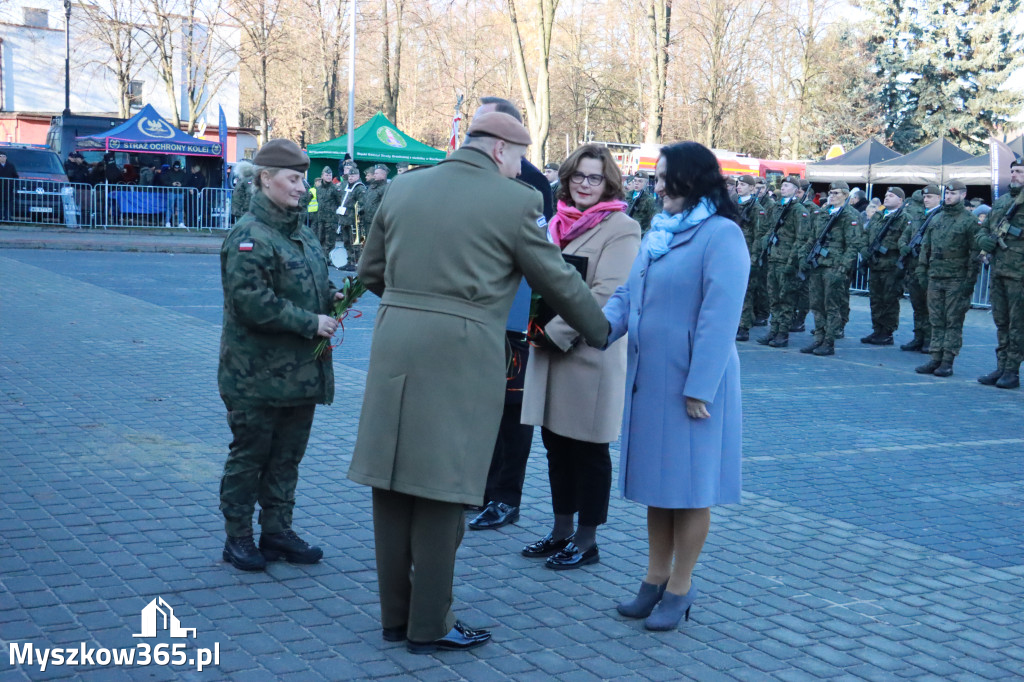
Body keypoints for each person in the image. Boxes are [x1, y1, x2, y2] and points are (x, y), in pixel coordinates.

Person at [347, 112, 610, 654]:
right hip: (463, 354)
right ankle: (431, 624)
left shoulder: (402, 187)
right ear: (499, 151)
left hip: (395, 342)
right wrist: (600, 329)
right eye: (518, 159)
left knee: (392, 483)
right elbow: (556, 279)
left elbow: (370, 271)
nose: (520, 171)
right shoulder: (514, 202)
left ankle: (395, 618)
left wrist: (415, 305)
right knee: (445, 490)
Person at [604, 141, 747, 631]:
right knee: (659, 487)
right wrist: (597, 328)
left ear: (692, 179)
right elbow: (628, 295)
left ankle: (681, 588)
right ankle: (653, 578)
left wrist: (699, 387)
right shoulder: (659, 231)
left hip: (692, 388)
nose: (657, 184)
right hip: (652, 379)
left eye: (665, 177)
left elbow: (720, 316)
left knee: (690, 488)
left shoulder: (722, 234)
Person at [218, 138, 344, 572]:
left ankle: (277, 531)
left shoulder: (301, 232)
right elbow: (250, 300)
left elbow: (314, 280)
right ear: (266, 179)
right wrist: (310, 322)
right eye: (293, 178)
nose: (302, 187)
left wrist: (333, 295)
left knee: (287, 457)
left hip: (298, 374)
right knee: (250, 457)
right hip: (255, 375)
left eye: (304, 178)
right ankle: (238, 538)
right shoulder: (249, 235)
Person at [519, 145, 640, 570]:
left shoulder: (621, 227)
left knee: (588, 451)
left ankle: (587, 541)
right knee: (555, 447)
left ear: (609, 183)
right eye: (578, 176)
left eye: (595, 178)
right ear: (566, 179)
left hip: (586, 354)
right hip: (548, 351)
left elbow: (606, 294)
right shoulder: (554, 223)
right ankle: (560, 530)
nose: (585, 185)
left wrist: (553, 334)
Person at [466, 96, 554, 533]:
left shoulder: (530, 181)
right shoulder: (467, 175)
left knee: (512, 411)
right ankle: (479, 489)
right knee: (479, 407)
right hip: (477, 314)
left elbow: (539, 258)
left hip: (516, 317)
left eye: (483, 123)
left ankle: (505, 497)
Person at [914, 180, 980, 377]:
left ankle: (947, 361)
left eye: (953, 194)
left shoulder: (969, 220)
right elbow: (926, 247)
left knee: (952, 321)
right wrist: (922, 271)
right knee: (936, 320)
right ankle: (935, 358)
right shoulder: (937, 218)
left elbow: (974, 254)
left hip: (956, 278)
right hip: (935, 276)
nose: (948, 197)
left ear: (963, 195)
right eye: (947, 194)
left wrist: (969, 281)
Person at [798, 180, 862, 357]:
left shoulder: (850, 215)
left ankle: (829, 341)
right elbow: (813, 237)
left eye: (836, 193)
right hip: (818, 265)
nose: (832, 196)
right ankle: (819, 338)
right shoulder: (824, 213)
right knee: (816, 305)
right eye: (831, 193)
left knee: (831, 306)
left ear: (846, 195)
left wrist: (843, 268)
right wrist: (803, 255)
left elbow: (853, 245)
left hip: (834, 267)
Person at [976, 158, 1024, 388]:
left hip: (1020, 275)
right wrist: (982, 240)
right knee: (1002, 323)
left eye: (1019, 171)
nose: (1014, 175)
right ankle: (1001, 366)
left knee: (1018, 325)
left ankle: (1012, 371)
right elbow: (985, 228)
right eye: (1012, 171)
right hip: (999, 271)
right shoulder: (1003, 201)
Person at [757, 175, 809, 348]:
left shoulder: (798, 210)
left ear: (796, 190)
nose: (784, 188)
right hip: (773, 258)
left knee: (786, 298)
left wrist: (792, 262)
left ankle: (782, 333)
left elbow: (801, 239)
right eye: (783, 185)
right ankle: (774, 330)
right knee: (774, 297)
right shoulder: (777, 207)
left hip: (787, 260)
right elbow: (769, 228)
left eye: (787, 185)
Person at [860, 187, 910, 345]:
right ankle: (877, 330)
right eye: (886, 195)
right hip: (875, 264)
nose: (887, 198)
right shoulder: (879, 215)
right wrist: (864, 249)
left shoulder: (904, 218)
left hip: (891, 266)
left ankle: (887, 332)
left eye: (891, 196)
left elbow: (905, 240)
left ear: (900, 200)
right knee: (875, 299)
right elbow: (866, 234)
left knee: (889, 300)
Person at [898, 185, 942, 353]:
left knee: (930, 306)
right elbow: (906, 234)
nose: (926, 200)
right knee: (917, 306)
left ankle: (929, 340)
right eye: (924, 197)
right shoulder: (917, 216)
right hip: (914, 267)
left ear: (938, 198)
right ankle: (919, 337)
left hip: (930, 269)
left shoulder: (940, 216)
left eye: (930, 197)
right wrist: (903, 246)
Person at [734, 175, 766, 341]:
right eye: (738, 184)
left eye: (744, 185)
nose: (739, 187)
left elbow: (759, 235)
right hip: (731, 254)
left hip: (746, 254)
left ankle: (743, 326)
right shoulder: (733, 204)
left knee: (746, 293)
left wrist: (753, 258)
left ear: (753, 189)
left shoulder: (756, 209)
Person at [307, 165, 345, 261]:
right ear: (322, 176)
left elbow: (339, 202)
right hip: (320, 218)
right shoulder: (318, 189)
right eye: (326, 175)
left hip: (331, 219)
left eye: (330, 175)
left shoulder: (335, 189)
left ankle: (328, 258)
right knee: (320, 238)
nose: (328, 177)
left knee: (329, 240)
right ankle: (320, 257)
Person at [338, 163, 367, 270]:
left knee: (355, 243)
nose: (351, 178)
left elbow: (362, 205)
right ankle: (349, 261)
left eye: (353, 176)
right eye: (350, 176)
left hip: (354, 221)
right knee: (346, 242)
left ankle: (357, 263)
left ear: (358, 176)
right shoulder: (346, 186)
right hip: (344, 219)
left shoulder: (359, 188)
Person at [162, 160, 187, 228]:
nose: (176, 168)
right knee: (169, 208)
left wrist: (181, 184)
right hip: (172, 192)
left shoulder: (182, 173)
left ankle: (181, 223)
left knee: (180, 208)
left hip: (180, 192)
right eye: (176, 167)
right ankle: (167, 222)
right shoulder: (169, 172)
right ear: (173, 167)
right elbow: (164, 181)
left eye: (178, 167)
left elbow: (186, 182)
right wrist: (171, 184)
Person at [186, 163, 206, 228]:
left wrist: (194, 191)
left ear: (194, 169)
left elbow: (200, 185)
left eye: (192, 168)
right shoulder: (192, 176)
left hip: (198, 196)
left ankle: (197, 224)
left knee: (197, 210)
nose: (191, 170)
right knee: (192, 209)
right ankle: (191, 223)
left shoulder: (201, 177)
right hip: (192, 196)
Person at [0, 151, 17, 222]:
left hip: (8, 188)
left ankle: (7, 218)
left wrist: (14, 186)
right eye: (0, 156)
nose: (2, 158)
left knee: (8, 204)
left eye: (4, 157)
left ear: (6, 158)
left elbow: (15, 176)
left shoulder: (10, 166)